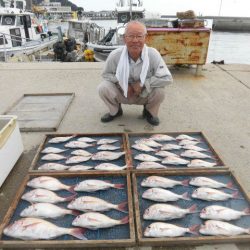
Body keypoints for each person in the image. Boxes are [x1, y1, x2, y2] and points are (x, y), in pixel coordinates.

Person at [98, 20, 173, 126]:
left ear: (145, 38)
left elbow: (167, 78)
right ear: (124, 38)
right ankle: (115, 111)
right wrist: (121, 82)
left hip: (143, 93)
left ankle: (149, 112)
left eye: (139, 36)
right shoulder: (115, 55)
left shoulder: (153, 54)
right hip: (124, 93)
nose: (135, 40)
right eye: (131, 36)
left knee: (160, 91)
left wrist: (143, 84)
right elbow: (105, 74)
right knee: (103, 87)